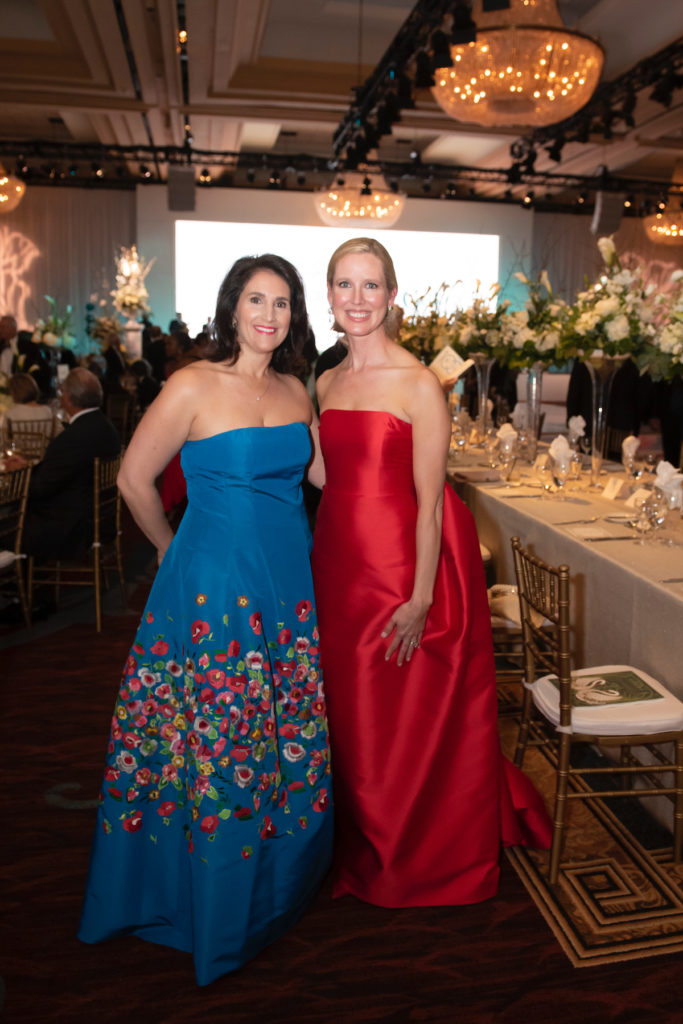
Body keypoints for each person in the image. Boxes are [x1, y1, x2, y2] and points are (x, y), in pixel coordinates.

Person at [78, 254, 333, 987]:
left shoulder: (295, 389)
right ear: (231, 307)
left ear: (293, 316)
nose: (269, 314)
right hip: (211, 589)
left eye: (282, 302)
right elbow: (133, 478)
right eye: (256, 299)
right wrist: (168, 548)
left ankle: (272, 887)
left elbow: (325, 478)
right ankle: (200, 899)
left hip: (287, 584)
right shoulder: (191, 383)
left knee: (274, 733)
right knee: (216, 738)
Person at [311, 237, 551, 909]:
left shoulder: (418, 382)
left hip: (398, 566)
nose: (357, 299)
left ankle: (410, 856)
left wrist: (420, 597)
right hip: (335, 563)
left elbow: (428, 502)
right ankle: (360, 844)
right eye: (344, 285)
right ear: (327, 295)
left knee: (399, 714)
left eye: (370, 286)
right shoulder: (325, 382)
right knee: (351, 715)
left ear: (391, 296)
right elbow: (323, 476)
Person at [22, 368, 121, 561]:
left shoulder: (72, 438)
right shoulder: (106, 427)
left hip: (72, 525)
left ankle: (18, 584)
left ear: (67, 398)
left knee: (9, 523)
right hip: (99, 517)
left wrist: (19, 476)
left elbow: (40, 488)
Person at [3, 372, 60, 443]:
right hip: (44, 453)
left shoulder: (11, 414)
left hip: (18, 453)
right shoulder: (47, 411)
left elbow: (4, 441)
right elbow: (56, 434)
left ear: (14, 392)